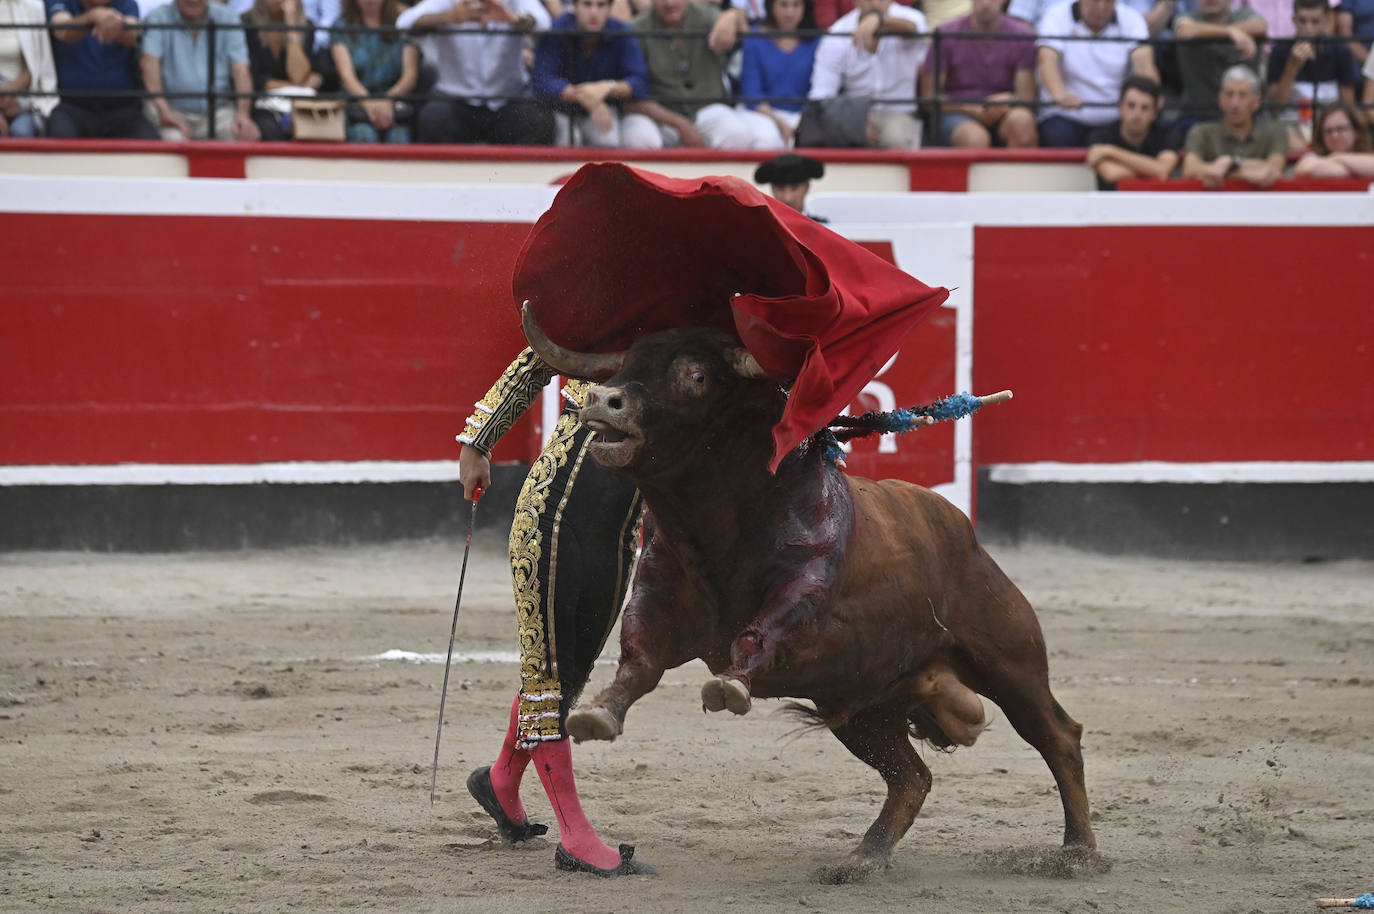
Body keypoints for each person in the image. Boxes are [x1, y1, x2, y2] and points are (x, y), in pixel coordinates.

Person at [457, 354, 655, 878]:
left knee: (567, 676)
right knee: (547, 676)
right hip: (554, 515)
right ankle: (575, 837)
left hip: (618, 533)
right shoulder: (605, 307)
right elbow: (538, 359)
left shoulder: (691, 331)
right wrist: (477, 442)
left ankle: (501, 779)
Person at [398, 0, 555, 145]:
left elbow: (543, 21)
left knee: (538, 120)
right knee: (433, 118)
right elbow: (404, 23)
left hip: (508, 98)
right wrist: (450, 17)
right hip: (455, 100)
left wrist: (513, 18)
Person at [631, 0, 783, 148]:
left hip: (706, 108)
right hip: (660, 113)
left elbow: (743, 28)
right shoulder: (637, 28)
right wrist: (679, 123)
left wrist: (732, 15)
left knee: (737, 135)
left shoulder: (707, 15)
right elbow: (633, 95)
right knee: (640, 138)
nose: (670, 3)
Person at [532, 0, 660, 147]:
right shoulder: (556, 29)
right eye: (587, 4)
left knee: (608, 139)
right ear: (574, 6)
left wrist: (607, 87)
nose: (594, 12)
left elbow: (640, 83)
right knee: (567, 140)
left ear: (610, 8)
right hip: (561, 111)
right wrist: (587, 97)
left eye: (601, 5)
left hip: (605, 110)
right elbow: (542, 81)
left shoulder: (621, 31)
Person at [1034, 0, 1159, 147]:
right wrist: (1059, 94)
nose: (1101, 7)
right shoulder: (1056, 16)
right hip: (1066, 115)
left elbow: (1144, 66)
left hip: (1117, 118)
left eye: (1108, 2)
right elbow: (1046, 61)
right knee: (1059, 135)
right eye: (1095, 1)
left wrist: (1153, 95)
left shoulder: (1131, 18)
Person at [808, 0, 929, 149]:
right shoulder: (837, 32)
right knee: (836, 138)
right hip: (854, 114)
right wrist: (852, 123)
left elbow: (914, 29)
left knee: (899, 140)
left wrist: (881, 20)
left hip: (901, 113)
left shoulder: (913, 17)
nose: (875, 5)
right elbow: (821, 94)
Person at [919, 0, 1037, 148]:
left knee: (1022, 124)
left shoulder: (1022, 34)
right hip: (955, 113)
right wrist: (966, 107)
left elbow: (1027, 97)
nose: (986, 3)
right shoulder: (945, 33)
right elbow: (929, 98)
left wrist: (1010, 100)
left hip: (1004, 111)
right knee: (975, 139)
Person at [140, 0, 260, 140]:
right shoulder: (158, 17)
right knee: (174, 140)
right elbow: (149, 63)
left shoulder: (228, 18)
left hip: (219, 112)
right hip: (171, 110)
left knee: (245, 135)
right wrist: (165, 112)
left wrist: (243, 114)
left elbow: (240, 69)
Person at [45, 0, 158, 138]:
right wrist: (91, 17)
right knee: (59, 136)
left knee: (150, 142)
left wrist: (113, 22)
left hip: (122, 111)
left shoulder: (126, 3)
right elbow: (63, 31)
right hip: (71, 107)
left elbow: (131, 35)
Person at [1267, 0, 1360, 151]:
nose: (1308, 28)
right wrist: (1292, 67)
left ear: (1326, 20)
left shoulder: (1341, 51)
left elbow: (1348, 107)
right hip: (1290, 128)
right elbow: (1275, 108)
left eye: (1315, 21)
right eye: (1302, 21)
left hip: (1329, 130)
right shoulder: (1279, 51)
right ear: (1294, 20)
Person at [1181, 64, 1287, 187]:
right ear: (1221, 99)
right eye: (1229, 94)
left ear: (1257, 102)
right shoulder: (1201, 132)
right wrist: (1249, 172)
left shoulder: (1275, 132)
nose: (1234, 103)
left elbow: (1274, 169)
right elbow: (1190, 169)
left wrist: (1229, 164)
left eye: (1242, 95)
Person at [331, 0, 418, 143]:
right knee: (364, 135)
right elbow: (347, 77)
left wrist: (388, 100)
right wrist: (369, 104)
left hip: (396, 106)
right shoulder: (341, 26)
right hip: (356, 106)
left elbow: (410, 76)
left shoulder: (404, 23)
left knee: (399, 138)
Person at [1171, 0, 1265, 131]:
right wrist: (1230, 32)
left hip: (1247, 117)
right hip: (1198, 116)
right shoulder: (1187, 17)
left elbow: (1260, 26)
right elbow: (1185, 31)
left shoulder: (1244, 15)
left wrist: (1229, 31)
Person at [738, 0, 819, 147]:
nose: (789, 12)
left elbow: (821, 91)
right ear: (771, 6)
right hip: (763, 115)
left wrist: (801, 124)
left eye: (796, 5)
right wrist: (780, 123)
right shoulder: (754, 38)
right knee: (767, 140)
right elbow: (752, 94)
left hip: (803, 115)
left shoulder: (817, 40)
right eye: (783, 4)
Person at [242, 0, 323, 140]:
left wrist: (291, 27)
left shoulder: (305, 25)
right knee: (269, 129)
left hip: (297, 104)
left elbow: (298, 76)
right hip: (260, 103)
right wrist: (297, 86)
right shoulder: (247, 23)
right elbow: (254, 78)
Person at [1085, 75, 1179, 187]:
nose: (1136, 114)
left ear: (1154, 113)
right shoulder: (1101, 135)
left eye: (1145, 108)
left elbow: (1162, 171)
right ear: (1120, 107)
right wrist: (1151, 169)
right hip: (1113, 198)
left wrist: (1111, 151)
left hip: (1155, 197)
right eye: (1131, 105)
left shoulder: (1167, 133)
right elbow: (1112, 174)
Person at [0, 0, 57, 137]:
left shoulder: (32, 7)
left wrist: (10, 91)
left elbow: (36, 66)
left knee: (22, 132)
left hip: (21, 94)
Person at [1292, 99, 1374, 175]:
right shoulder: (1312, 158)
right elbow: (1307, 169)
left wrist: (1336, 157)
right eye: (1328, 131)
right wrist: (1360, 170)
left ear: (1357, 131)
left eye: (1340, 129)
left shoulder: (1368, 155)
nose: (1334, 135)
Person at [1009, 0, 1174, 36]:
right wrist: (1046, 45)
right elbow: (1017, 24)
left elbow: (1143, 27)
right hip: (1049, 55)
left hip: (1115, 57)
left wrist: (1167, 4)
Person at [754, 150, 825, 216]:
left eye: (794, 188)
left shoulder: (820, 224)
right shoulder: (761, 225)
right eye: (780, 188)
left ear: (806, 187)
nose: (788, 198)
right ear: (772, 189)